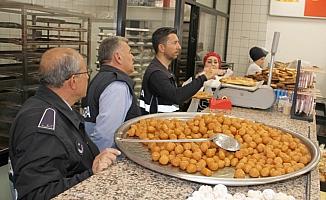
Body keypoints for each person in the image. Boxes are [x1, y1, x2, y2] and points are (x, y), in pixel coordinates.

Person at [9, 48, 121, 200]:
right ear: (73, 81)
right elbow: (37, 194)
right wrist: (91, 174)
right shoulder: (41, 126)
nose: (88, 76)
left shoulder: (56, 107)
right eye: (85, 72)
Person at [139, 27, 219, 114]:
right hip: (157, 124)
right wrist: (203, 77)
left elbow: (173, 95)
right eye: (175, 43)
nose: (179, 47)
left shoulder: (164, 70)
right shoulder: (156, 73)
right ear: (162, 48)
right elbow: (177, 96)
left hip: (166, 122)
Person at [82, 36, 141, 151]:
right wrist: (96, 161)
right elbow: (105, 136)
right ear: (118, 57)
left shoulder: (99, 78)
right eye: (129, 52)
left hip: (91, 151)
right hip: (107, 159)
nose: (132, 57)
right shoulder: (117, 86)